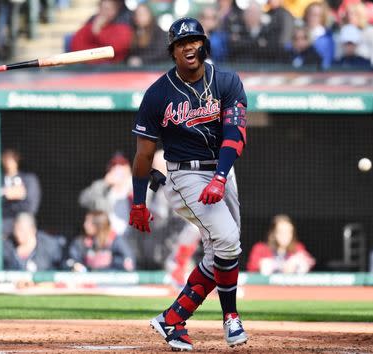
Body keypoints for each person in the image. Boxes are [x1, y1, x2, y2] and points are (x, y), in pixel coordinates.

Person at [129, 17, 249, 350]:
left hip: (223, 171)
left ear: (204, 44)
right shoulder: (158, 94)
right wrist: (139, 201)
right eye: (182, 43)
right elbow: (142, 155)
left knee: (223, 250)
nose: (189, 47)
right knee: (226, 239)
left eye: (194, 41)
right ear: (173, 51)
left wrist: (221, 177)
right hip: (185, 174)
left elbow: (235, 135)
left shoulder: (227, 82)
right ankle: (231, 318)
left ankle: (171, 319)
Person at [0, 148, 41, 237]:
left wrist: (4, 203)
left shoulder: (29, 179)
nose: (9, 160)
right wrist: (5, 196)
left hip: (22, 231)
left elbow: (31, 207)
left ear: (18, 158)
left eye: (12, 156)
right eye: (6, 156)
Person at [78, 152, 133, 238]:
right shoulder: (104, 190)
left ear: (128, 167)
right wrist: (104, 183)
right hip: (109, 242)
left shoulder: (139, 187)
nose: (117, 168)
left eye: (122, 164)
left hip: (133, 241)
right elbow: (83, 200)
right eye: (113, 165)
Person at [65, 210, 134, 272]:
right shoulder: (80, 241)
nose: (84, 225)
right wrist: (75, 265)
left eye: (89, 222)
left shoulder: (115, 240)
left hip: (112, 281)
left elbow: (128, 262)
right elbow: (70, 261)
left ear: (99, 225)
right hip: (88, 281)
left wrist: (111, 262)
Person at [246, 214, 315, 275]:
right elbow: (252, 267)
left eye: (289, 232)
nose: (285, 235)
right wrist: (266, 264)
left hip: (290, 287)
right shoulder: (260, 248)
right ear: (273, 234)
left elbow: (310, 261)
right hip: (266, 288)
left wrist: (297, 262)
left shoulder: (297, 247)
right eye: (281, 232)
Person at [126, 2, 168, 67]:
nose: (139, 17)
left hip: (158, 70)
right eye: (137, 14)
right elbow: (130, 53)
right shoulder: (134, 32)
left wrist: (141, 60)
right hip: (138, 72)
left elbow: (161, 53)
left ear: (150, 15)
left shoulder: (158, 32)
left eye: (142, 14)